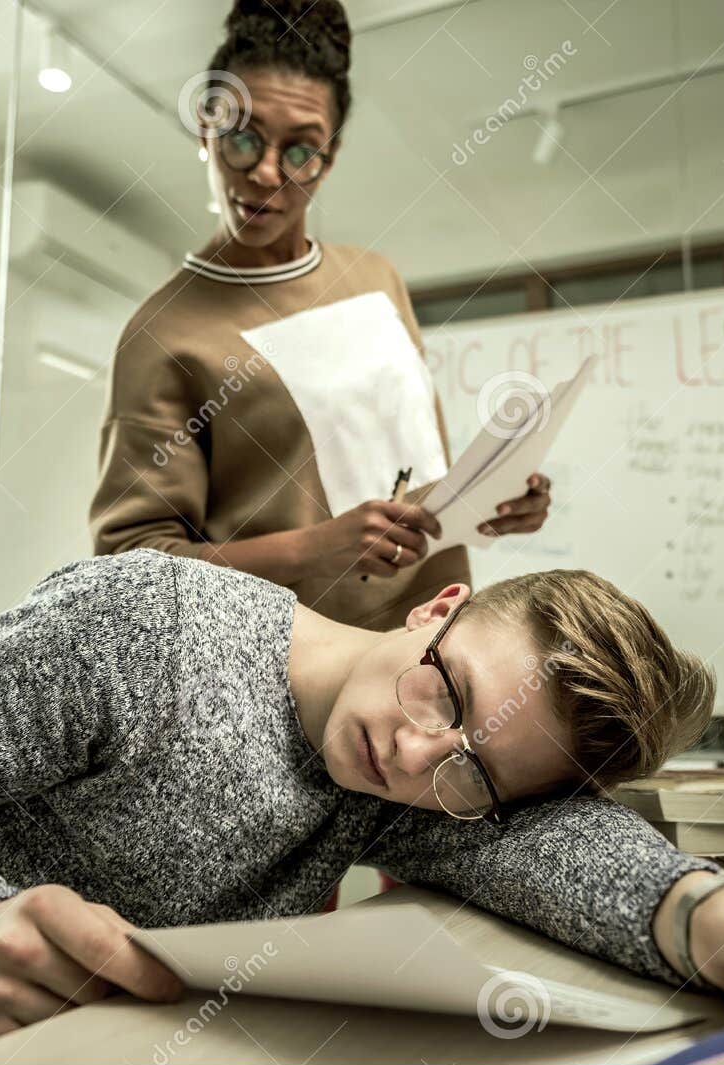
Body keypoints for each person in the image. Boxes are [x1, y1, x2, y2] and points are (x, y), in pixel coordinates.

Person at [0, 549, 724, 1065]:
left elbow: (559, 848)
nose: (415, 752)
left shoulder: (402, 789)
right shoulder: (146, 625)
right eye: (446, 686)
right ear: (438, 604)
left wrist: (706, 915)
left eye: (469, 770)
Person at [88, 0, 553, 632]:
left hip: (432, 643)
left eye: (301, 151)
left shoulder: (374, 279)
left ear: (330, 158)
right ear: (207, 131)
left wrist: (480, 506)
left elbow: (403, 479)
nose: (266, 173)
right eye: (244, 138)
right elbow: (128, 567)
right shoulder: (163, 334)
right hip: (280, 678)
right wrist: (315, 548)